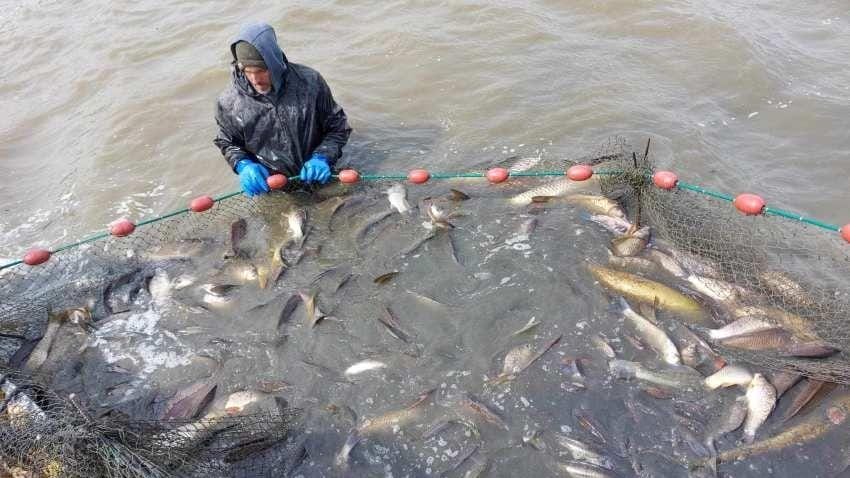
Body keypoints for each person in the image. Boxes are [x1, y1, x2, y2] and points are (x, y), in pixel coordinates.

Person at [214, 22, 352, 196]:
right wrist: (243, 165)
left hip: (320, 174)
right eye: (247, 71)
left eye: (261, 70)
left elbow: (337, 127)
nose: (255, 79)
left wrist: (322, 156)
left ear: (274, 62)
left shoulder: (310, 82)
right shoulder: (228, 103)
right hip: (274, 187)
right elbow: (228, 143)